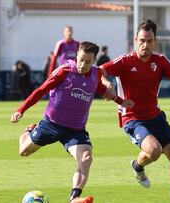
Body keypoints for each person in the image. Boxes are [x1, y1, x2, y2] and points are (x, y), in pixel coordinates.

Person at [10, 41, 133, 203]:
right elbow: (41, 91)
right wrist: (21, 110)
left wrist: (120, 101)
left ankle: (74, 197)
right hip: (51, 124)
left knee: (86, 158)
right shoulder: (65, 70)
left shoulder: (96, 74)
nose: (82, 64)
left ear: (94, 61)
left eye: (88, 62)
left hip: (75, 130)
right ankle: (28, 131)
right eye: (80, 59)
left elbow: (103, 91)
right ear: (77, 55)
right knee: (23, 151)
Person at [99, 20, 170, 203]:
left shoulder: (161, 60)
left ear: (155, 41)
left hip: (155, 117)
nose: (145, 45)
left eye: (150, 41)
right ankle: (137, 166)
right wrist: (107, 84)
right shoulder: (125, 61)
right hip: (132, 118)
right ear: (135, 40)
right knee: (154, 151)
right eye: (142, 40)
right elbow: (99, 71)